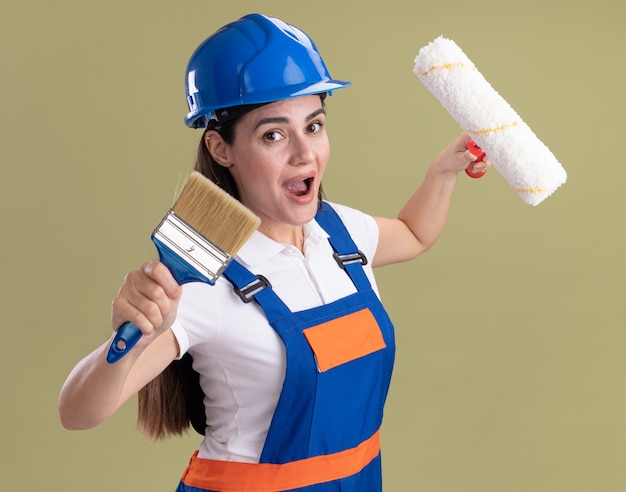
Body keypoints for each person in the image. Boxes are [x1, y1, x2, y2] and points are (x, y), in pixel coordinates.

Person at [58, 13, 489, 492]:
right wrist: (132, 333)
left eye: (315, 125)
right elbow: (78, 413)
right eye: (274, 134)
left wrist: (444, 171)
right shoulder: (201, 279)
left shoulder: (340, 232)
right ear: (222, 149)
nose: (305, 154)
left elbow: (413, 233)